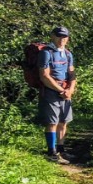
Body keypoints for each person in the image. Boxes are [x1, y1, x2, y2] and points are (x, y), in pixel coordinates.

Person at [38, 26, 76, 163]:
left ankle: (61, 150)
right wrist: (60, 90)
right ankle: (51, 153)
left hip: (66, 92)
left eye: (64, 37)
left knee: (64, 121)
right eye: (59, 36)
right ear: (53, 36)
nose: (62, 39)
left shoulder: (68, 54)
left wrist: (70, 90)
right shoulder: (46, 53)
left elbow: (72, 74)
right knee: (52, 122)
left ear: (68, 38)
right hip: (51, 92)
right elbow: (44, 76)